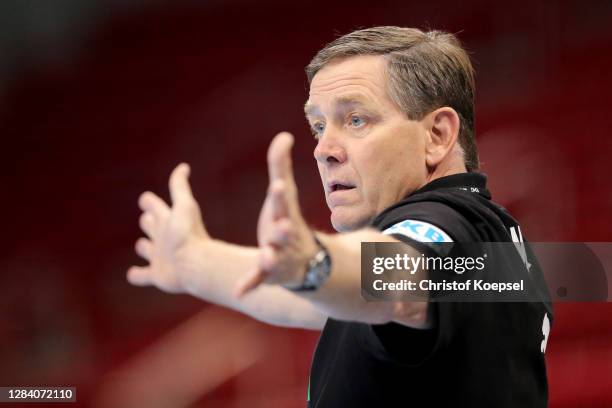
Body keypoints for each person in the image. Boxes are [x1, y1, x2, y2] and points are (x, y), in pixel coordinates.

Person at [127, 26, 552, 407]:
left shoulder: (451, 223)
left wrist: (315, 262)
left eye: (355, 119)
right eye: (318, 127)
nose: (322, 149)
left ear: (438, 135)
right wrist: (193, 260)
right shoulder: (488, 242)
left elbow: (395, 278)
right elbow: (310, 297)